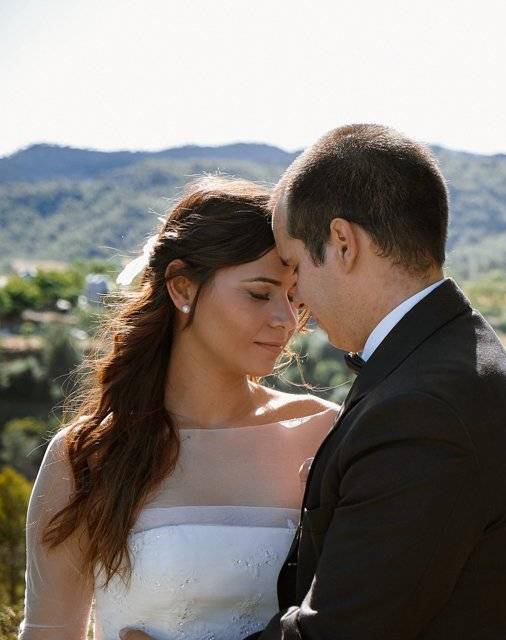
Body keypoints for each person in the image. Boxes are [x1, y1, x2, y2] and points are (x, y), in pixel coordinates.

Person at [124, 123, 506, 639]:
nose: (295, 300)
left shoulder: (426, 404)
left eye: (296, 266)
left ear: (343, 243)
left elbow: (343, 630)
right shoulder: (445, 358)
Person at [18, 177, 339, 639]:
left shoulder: (322, 431)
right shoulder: (88, 456)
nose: (286, 320)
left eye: (293, 297)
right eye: (259, 292)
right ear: (182, 288)